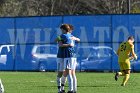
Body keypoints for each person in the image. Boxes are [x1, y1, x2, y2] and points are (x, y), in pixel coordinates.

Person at [59, 24, 80, 93]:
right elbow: (79, 40)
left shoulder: (63, 36)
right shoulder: (71, 36)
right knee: (73, 73)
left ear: (65, 30)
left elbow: (60, 44)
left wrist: (67, 44)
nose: (61, 31)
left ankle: (70, 90)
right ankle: (74, 90)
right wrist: (75, 39)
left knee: (68, 73)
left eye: (62, 29)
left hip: (68, 56)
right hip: (73, 56)